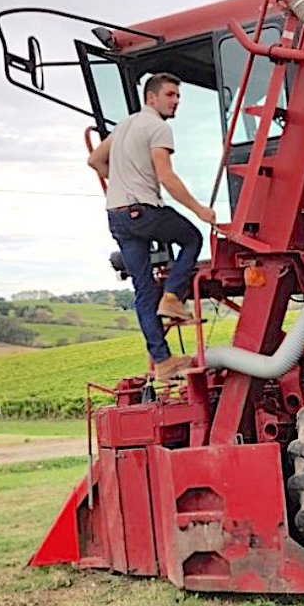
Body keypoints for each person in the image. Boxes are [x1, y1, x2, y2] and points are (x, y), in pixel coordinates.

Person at [87, 72, 217, 381]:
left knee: (143, 290)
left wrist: (120, 179)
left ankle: (163, 361)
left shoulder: (125, 125)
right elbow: (166, 176)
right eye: (171, 95)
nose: (176, 102)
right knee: (192, 238)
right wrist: (200, 210)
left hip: (117, 216)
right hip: (143, 212)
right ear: (152, 98)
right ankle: (172, 296)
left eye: (178, 96)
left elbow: (94, 160)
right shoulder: (158, 128)